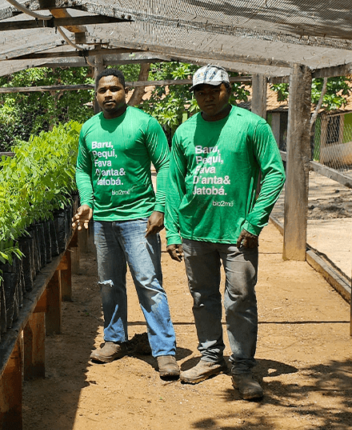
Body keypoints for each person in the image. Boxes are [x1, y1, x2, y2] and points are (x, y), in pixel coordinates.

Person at [164, 65, 285, 400]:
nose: (207, 97)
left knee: (241, 298)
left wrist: (254, 221)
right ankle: (211, 357)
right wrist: (173, 233)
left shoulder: (251, 126)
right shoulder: (185, 131)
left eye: (213, 90)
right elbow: (174, 184)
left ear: (227, 90)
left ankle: (243, 366)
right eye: (200, 91)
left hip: (237, 234)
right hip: (194, 230)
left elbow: (274, 173)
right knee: (203, 297)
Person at [72, 68, 180, 379]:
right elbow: (83, 169)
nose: (108, 95)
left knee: (148, 284)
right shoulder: (89, 129)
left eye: (114, 89)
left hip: (138, 219)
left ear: (126, 92)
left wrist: (160, 208)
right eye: (102, 90)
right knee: (109, 283)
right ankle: (114, 339)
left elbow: (166, 164)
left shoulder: (143, 123)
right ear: (96, 94)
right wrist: (88, 201)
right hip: (104, 221)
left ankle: (164, 351)